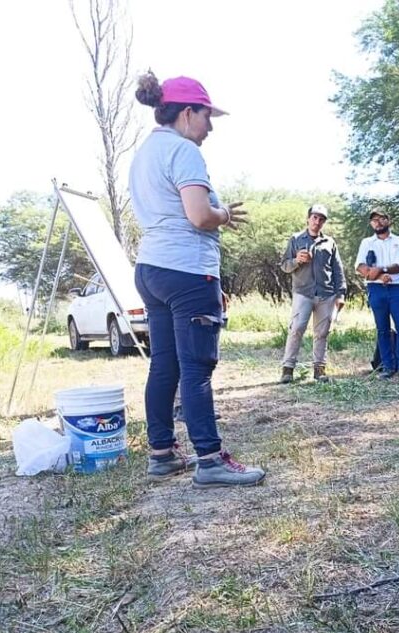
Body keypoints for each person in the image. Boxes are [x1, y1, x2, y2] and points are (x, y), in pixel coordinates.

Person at [129, 71, 264, 487]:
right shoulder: (184, 152)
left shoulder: (144, 153)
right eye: (208, 117)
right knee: (197, 367)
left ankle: (162, 453)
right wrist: (224, 215)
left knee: (164, 364)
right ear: (188, 113)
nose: (210, 128)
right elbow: (200, 216)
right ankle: (210, 459)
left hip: (151, 269)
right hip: (187, 270)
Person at [279, 204, 346, 384]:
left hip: (326, 293)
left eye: (321, 219)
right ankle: (287, 369)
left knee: (322, 332)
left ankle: (319, 370)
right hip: (303, 292)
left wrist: (341, 293)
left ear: (324, 222)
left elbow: (338, 270)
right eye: (315, 217)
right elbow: (284, 265)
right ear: (308, 218)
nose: (317, 222)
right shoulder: (295, 239)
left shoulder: (330, 243)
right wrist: (296, 261)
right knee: (296, 329)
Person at [355, 209, 399, 380]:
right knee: (382, 329)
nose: (378, 222)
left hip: (397, 288)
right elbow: (360, 266)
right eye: (374, 220)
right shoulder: (367, 242)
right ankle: (388, 367)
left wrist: (381, 269)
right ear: (371, 224)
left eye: (381, 219)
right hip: (375, 288)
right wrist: (377, 274)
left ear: (388, 220)